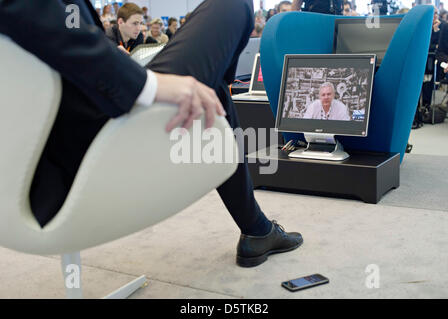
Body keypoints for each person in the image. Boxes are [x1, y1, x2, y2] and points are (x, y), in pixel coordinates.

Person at [0, 0, 303, 268]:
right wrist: (149, 85)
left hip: (77, 126)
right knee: (233, 5)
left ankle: (257, 229)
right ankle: (257, 228)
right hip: (95, 134)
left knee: (209, 94)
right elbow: (53, 28)